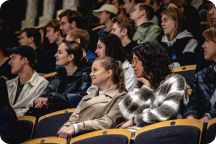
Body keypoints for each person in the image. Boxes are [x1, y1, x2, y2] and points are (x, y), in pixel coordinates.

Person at [118, 41, 187, 128]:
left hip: (166, 132)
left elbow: (167, 111)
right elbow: (126, 113)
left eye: (136, 60)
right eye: (132, 61)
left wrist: (135, 120)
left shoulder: (175, 80)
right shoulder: (141, 84)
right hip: (141, 134)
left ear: (148, 60)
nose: (132, 65)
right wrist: (146, 89)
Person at [57, 57, 126, 138]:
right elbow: (72, 120)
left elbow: (108, 122)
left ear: (108, 73)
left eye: (95, 70)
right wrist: (64, 129)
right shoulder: (86, 97)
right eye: (91, 70)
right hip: (75, 138)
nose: (90, 74)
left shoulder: (120, 96)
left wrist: (77, 127)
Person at [32, 41, 91, 116]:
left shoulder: (85, 74)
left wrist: (51, 98)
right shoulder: (59, 74)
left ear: (70, 57)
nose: (55, 55)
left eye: (60, 52)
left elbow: (81, 97)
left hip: (73, 115)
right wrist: (39, 102)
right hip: (54, 114)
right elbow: (45, 94)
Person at [183, 27, 216, 122]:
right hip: (205, 128)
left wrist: (208, 117)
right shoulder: (201, 75)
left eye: (207, 41)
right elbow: (193, 104)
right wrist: (191, 116)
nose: (203, 46)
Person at [6, 45, 48, 116]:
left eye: (13, 58)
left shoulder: (41, 83)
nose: (9, 62)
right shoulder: (8, 84)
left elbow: (32, 111)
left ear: (24, 60)